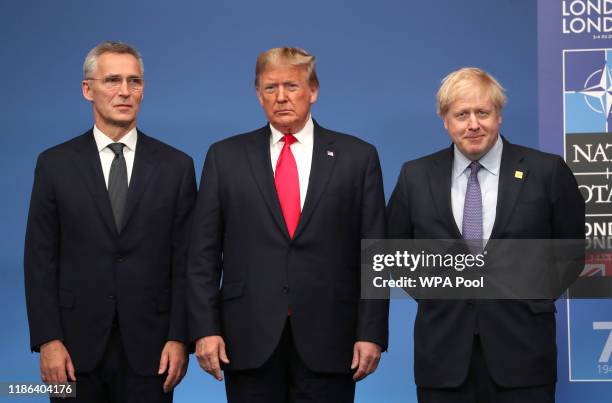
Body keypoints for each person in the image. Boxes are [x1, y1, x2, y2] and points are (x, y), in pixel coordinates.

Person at [187, 47, 388, 402]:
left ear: (313, 91)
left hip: (331, 337)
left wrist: (371, 332)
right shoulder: (225, 156)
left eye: (292, 86)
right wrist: (205, 328)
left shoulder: (358, 157)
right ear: (258, 94)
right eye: (270, 88)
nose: (281, 97)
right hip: (246, 338)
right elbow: (203, 254)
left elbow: (375, 255)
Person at [387, 67, 585, 402]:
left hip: (523, 353)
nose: (473, 124)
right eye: (461, 114)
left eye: (483, 112)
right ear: (445, 120)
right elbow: (396, 250)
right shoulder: (415, 176)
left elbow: (571, 252)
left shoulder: (546, 171)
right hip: (443, 356)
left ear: (499, 116)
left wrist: (526, 294)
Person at [24, 41, 196, 402]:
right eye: (112, 80)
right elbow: (40, 259)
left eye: (134, 82)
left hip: (152, 350)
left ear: (143, 90)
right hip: (72, 348)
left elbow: (186, 262)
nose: (124, 91)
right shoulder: (54, 165)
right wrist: (47, 340)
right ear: (88, 89)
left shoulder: (177, 167)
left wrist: (180, 337)